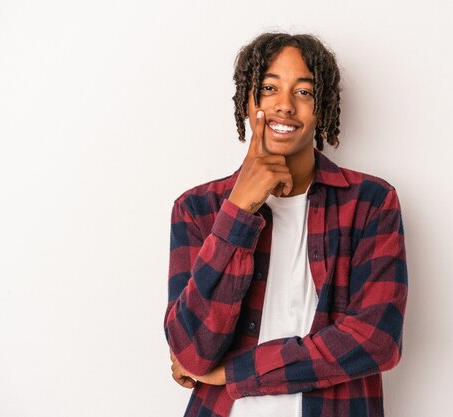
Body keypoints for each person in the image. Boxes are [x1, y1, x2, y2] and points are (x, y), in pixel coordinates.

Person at [164, 32, 408, 417]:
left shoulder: (370, 203)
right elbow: (191, 351)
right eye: (268, 88)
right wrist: (239, 210)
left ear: (322, 105)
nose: (285, 106)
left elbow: (375, 340)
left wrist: (234, 372)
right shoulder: (198, 209)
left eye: (304, 92)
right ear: (248, 99)